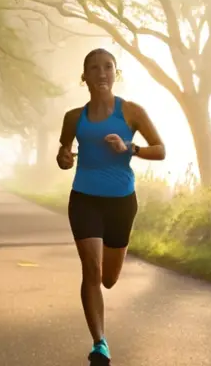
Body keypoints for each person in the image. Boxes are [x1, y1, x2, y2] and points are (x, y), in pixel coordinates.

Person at [56, 48, 166, 364]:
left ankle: (100, 335)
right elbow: (65, 155)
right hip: (84, 199)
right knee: (91, 269)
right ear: (85, 76)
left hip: (121, 203)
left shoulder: (132, 112)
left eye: (108, 67)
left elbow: (160, 151)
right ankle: (99, 343)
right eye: (94, 68)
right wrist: (63, 159)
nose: (101, 73)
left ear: (115, 73)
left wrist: (129, 147)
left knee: (109, 278)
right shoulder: (74, 117)